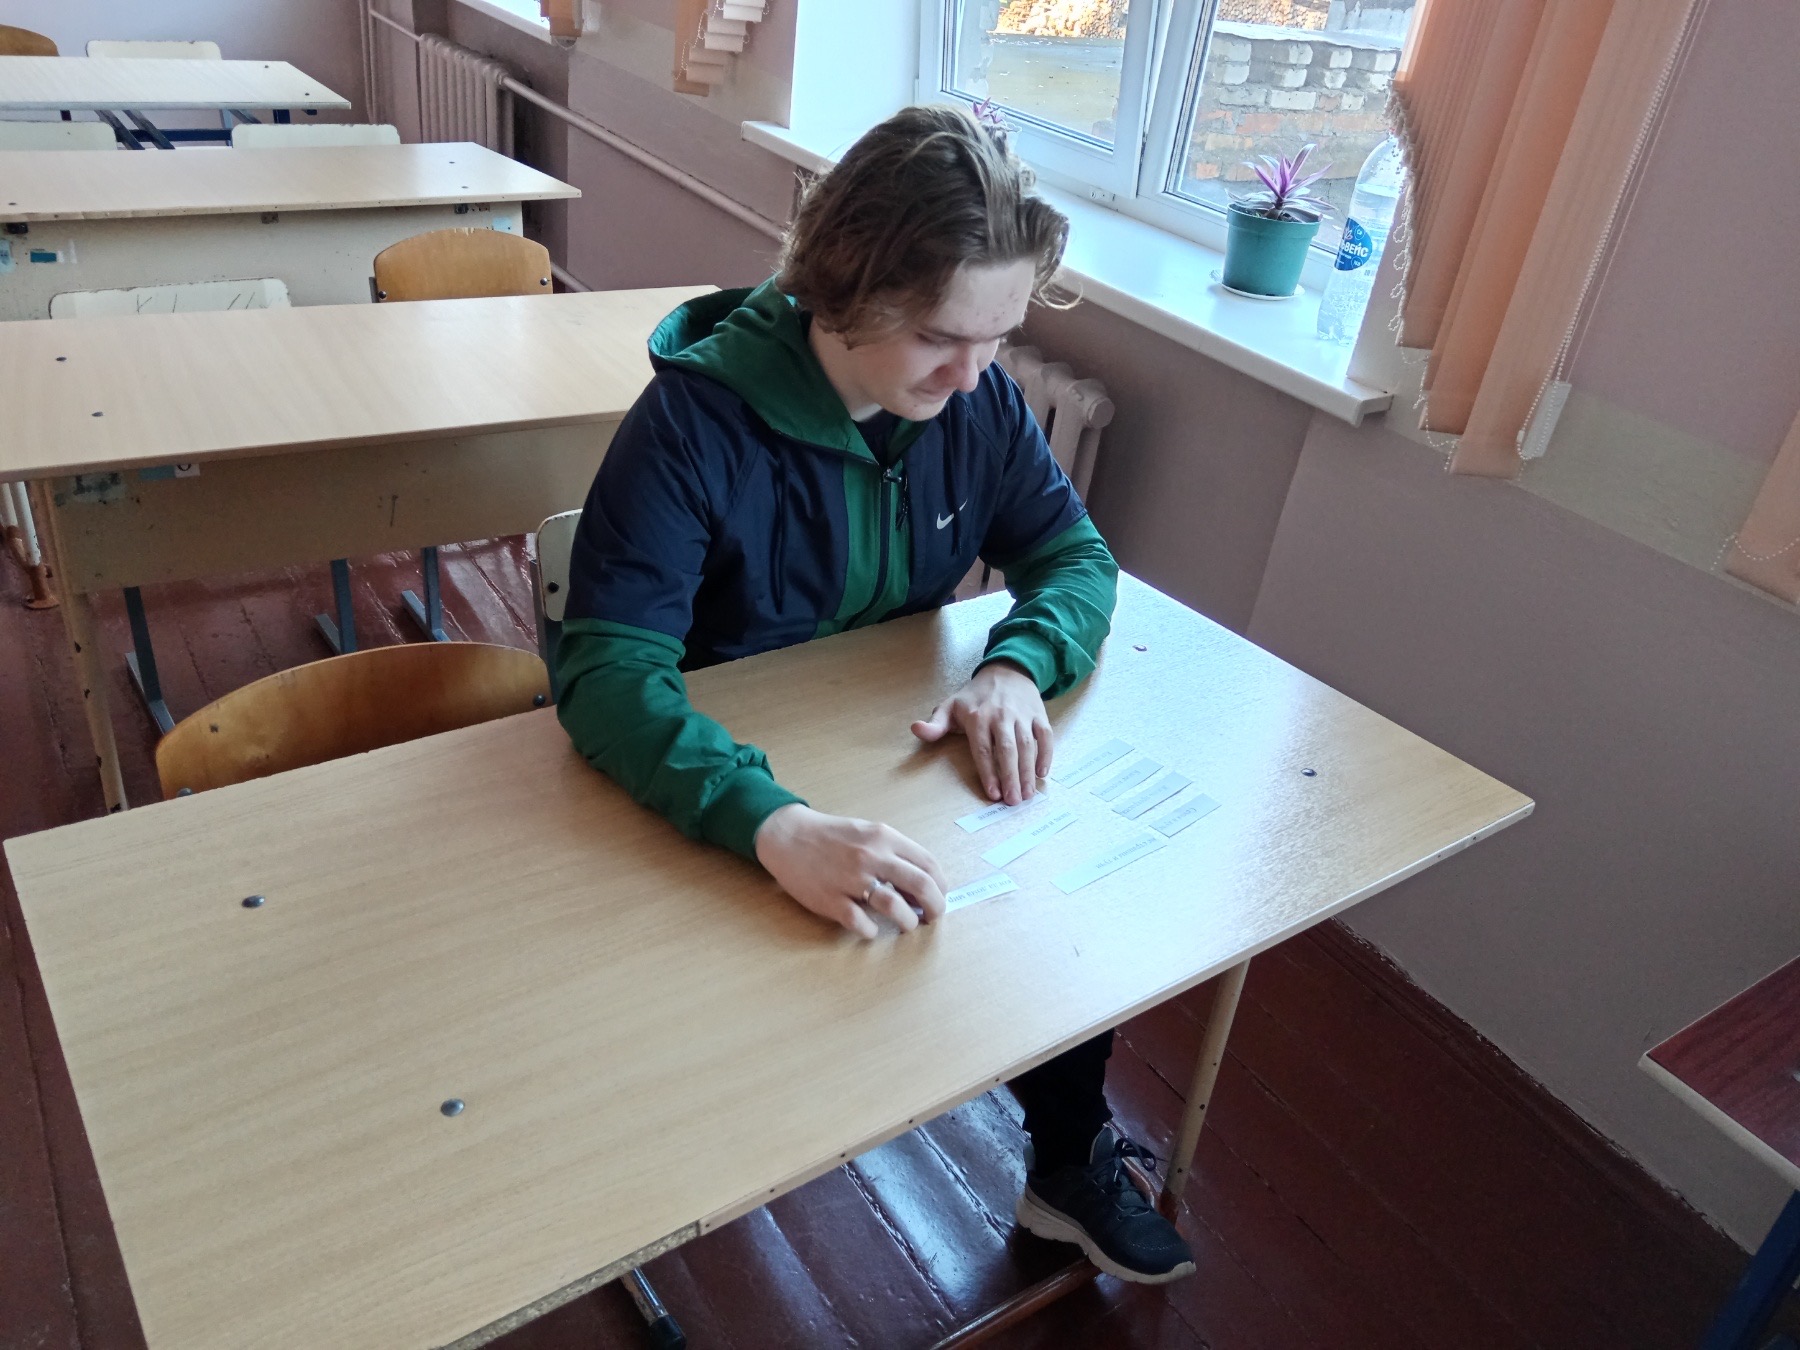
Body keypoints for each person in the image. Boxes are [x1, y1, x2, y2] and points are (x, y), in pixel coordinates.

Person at [556, 104, 1194, 1285]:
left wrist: (1015, 664)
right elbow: (606, 675)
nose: (974, 374)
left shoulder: (975, 401)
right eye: (942, 337)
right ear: (840, 290)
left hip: (884, 753)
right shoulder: (694, 425)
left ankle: (1066, 1158)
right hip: (714, 781)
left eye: (999, 337)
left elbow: (1074, 557)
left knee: (1054, 875)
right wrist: (772, 824)